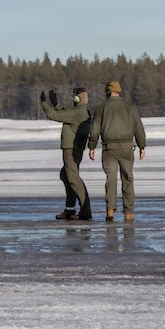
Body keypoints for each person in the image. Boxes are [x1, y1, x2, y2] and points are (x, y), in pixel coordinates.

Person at [88, 81, 146, 223]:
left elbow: (95, 129)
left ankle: (110, 210)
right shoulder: (130, 108)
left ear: (108, 92)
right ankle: (128, 212)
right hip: (126, 149)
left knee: (111, 179)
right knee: (127, 179)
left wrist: (92, 146)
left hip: (109, 149)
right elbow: (138, 127)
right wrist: (142, 146)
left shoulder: (101, 108)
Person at [40, 86, 92, 221]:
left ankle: (85, 211)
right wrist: (56, 104)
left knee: (73, 180)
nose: (73, 98)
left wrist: (44, 103)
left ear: (78, 99)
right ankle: (70, 209)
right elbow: (66, 113)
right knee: (65, 175)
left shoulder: (78, 113)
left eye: (74, 96)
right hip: (74, 149)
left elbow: (53, 115)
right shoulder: (80, 112)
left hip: (71, 149)